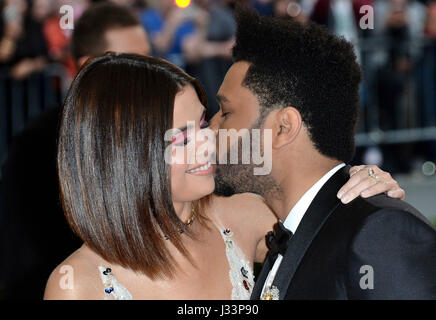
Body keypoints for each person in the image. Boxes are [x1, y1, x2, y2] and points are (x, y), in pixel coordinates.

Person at [43, 49, 404, 299]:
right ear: (126, 154)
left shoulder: (243, 217)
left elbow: (346, 239)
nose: (209, 142)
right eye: (182, 137)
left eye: (203, 123)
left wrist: (365, 188)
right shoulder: (76, 284)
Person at [208, 7, 436, 299]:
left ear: (283, 127)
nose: (211, 128)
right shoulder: (290, 232)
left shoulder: (379, 232)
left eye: (226, 112)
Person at [0, 2, 150, 300]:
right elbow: (25, 254)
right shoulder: (38, 145)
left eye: (150, 58)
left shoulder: (156, 130)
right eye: (133, 62)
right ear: (88, 67)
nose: (149, 74)